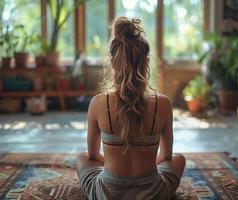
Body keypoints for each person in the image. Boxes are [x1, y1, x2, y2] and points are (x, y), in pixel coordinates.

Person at [75, 16, 186, 200]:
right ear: (146, 62)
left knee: (81, 157)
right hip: (154, 194)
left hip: (107, 194)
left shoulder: (98, 103)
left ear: (112, 63)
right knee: (178, 159)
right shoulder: (163, 104)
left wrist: (113, 161)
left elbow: (93, 155)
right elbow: (166, 156)